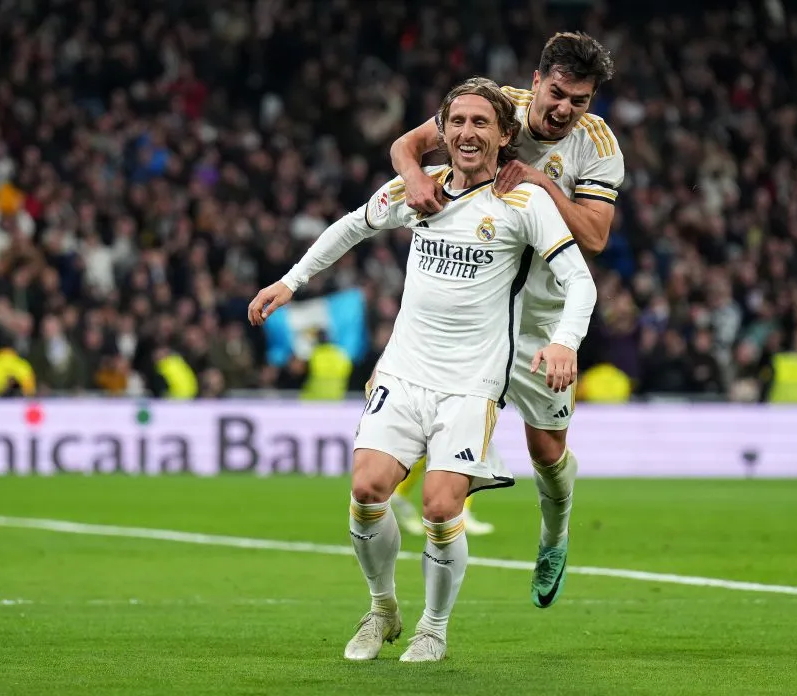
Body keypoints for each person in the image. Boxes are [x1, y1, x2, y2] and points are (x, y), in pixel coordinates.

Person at [248, 77, 597, 663]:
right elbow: (352, 224)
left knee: (439, 507)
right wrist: (291, 282)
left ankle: (433, 628)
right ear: (442, 132)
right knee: (366, 491)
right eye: (456, 122)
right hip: (404, 371)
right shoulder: (420, 189)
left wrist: (564, 341)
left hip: (471, 385)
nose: (467, 132)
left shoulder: (523, 202)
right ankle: (382, 608)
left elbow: (580, 282)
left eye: (481, 123)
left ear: (503, 135)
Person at [389, 31, 623, 608]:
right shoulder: (494, 109)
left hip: (542, 320)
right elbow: (406, 146)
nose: (565, 109)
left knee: (547, 452)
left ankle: (555, 535)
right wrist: (416, 178)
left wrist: (543, 183)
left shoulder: (598, 145)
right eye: (558, 93)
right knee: (430, 416)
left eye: (580, 100)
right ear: (536, 81)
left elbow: (594, 237)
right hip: (478, 312)